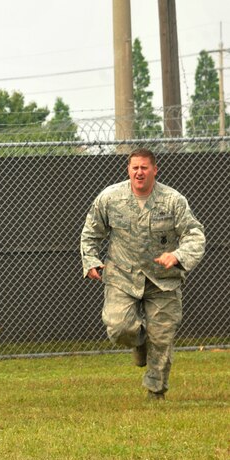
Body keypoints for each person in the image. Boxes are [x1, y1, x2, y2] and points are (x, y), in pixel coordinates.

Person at [80, 148, 205, 400]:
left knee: (162, 337)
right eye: (135, 167)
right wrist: (91, 260)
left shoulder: (172, 200)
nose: (139, 172)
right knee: (119, 327)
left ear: (154, 170)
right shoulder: (110, 197)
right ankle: (139, 341)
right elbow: (91, 233)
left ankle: (155, 391)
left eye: (144, 168)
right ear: (128, 170)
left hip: (162, 281)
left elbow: (195, 234)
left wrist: (178, 256)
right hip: (122, 277)